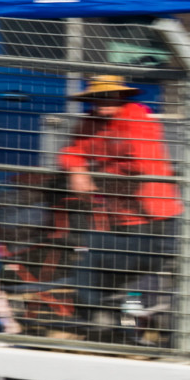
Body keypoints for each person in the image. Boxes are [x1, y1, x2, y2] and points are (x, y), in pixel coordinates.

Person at [58, 75, 181, 328]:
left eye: (108, 96)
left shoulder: (137, 118)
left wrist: (96, 177)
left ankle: (120, 326)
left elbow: (141, 165)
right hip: (119, 219)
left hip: (153, 219)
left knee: (109, 269)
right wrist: (77, 170)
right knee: (110, 273)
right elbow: (71, 151)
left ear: (120, 97)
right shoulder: (91, 122)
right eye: (97, 97)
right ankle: (117, 327)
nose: (101, 102)